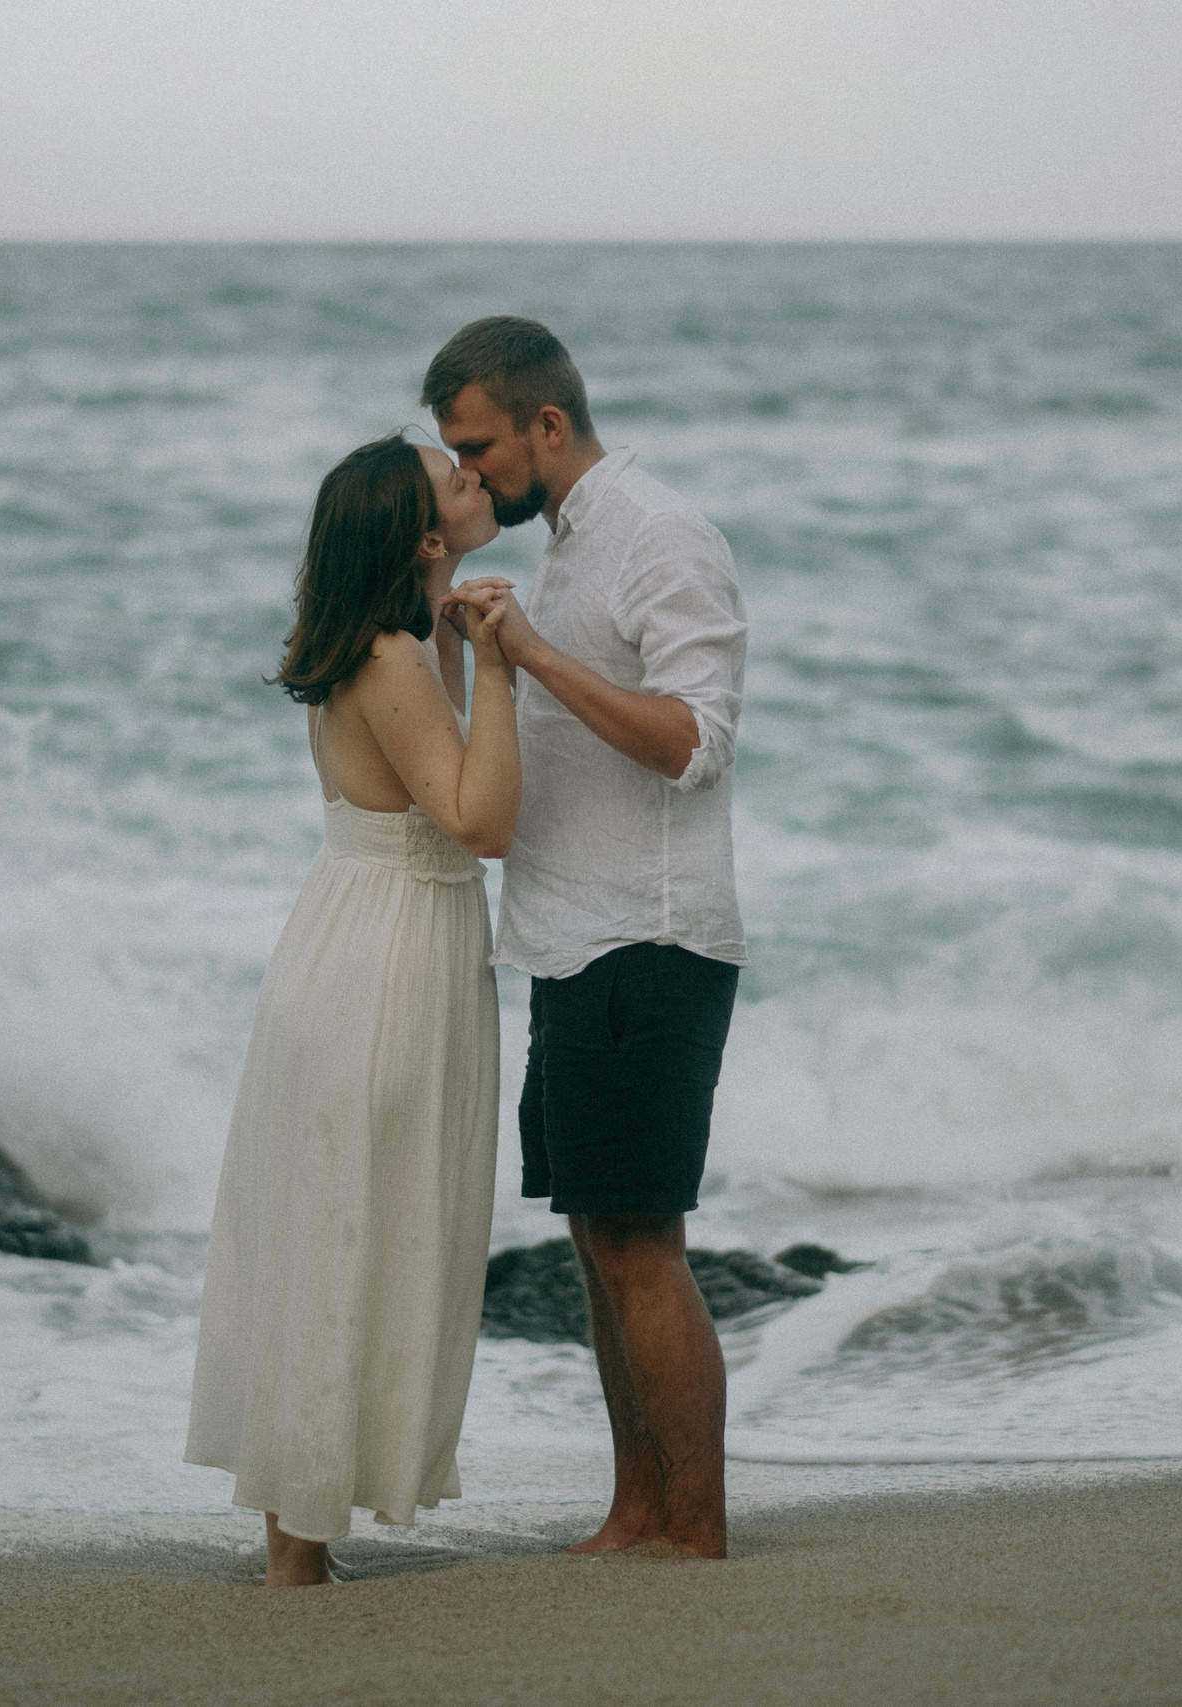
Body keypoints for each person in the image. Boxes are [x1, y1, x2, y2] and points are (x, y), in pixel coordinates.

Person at [428, 317, 748, 1560]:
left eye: (480, 447)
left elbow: (691, 740)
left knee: (640, 1246)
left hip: (648, 938)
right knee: (595, 1244)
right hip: (563, 941)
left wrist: (535, 654)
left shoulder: (662, 534)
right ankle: (637, 1510)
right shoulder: (566, 546)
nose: (471, 472)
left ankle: (696, 1526)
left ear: (545, 427)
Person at [184, 432, 516, 1588]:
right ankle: (295, 1559)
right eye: (454, 478)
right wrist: (511, 667)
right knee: (351, 1231)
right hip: (386, 957)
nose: (477, 474)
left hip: (351, 934)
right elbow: (481, 819)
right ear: (426, 539)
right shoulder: (391, 661)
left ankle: (298, 1542)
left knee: (336, 1227)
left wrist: (467, 646)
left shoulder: (391, 643)